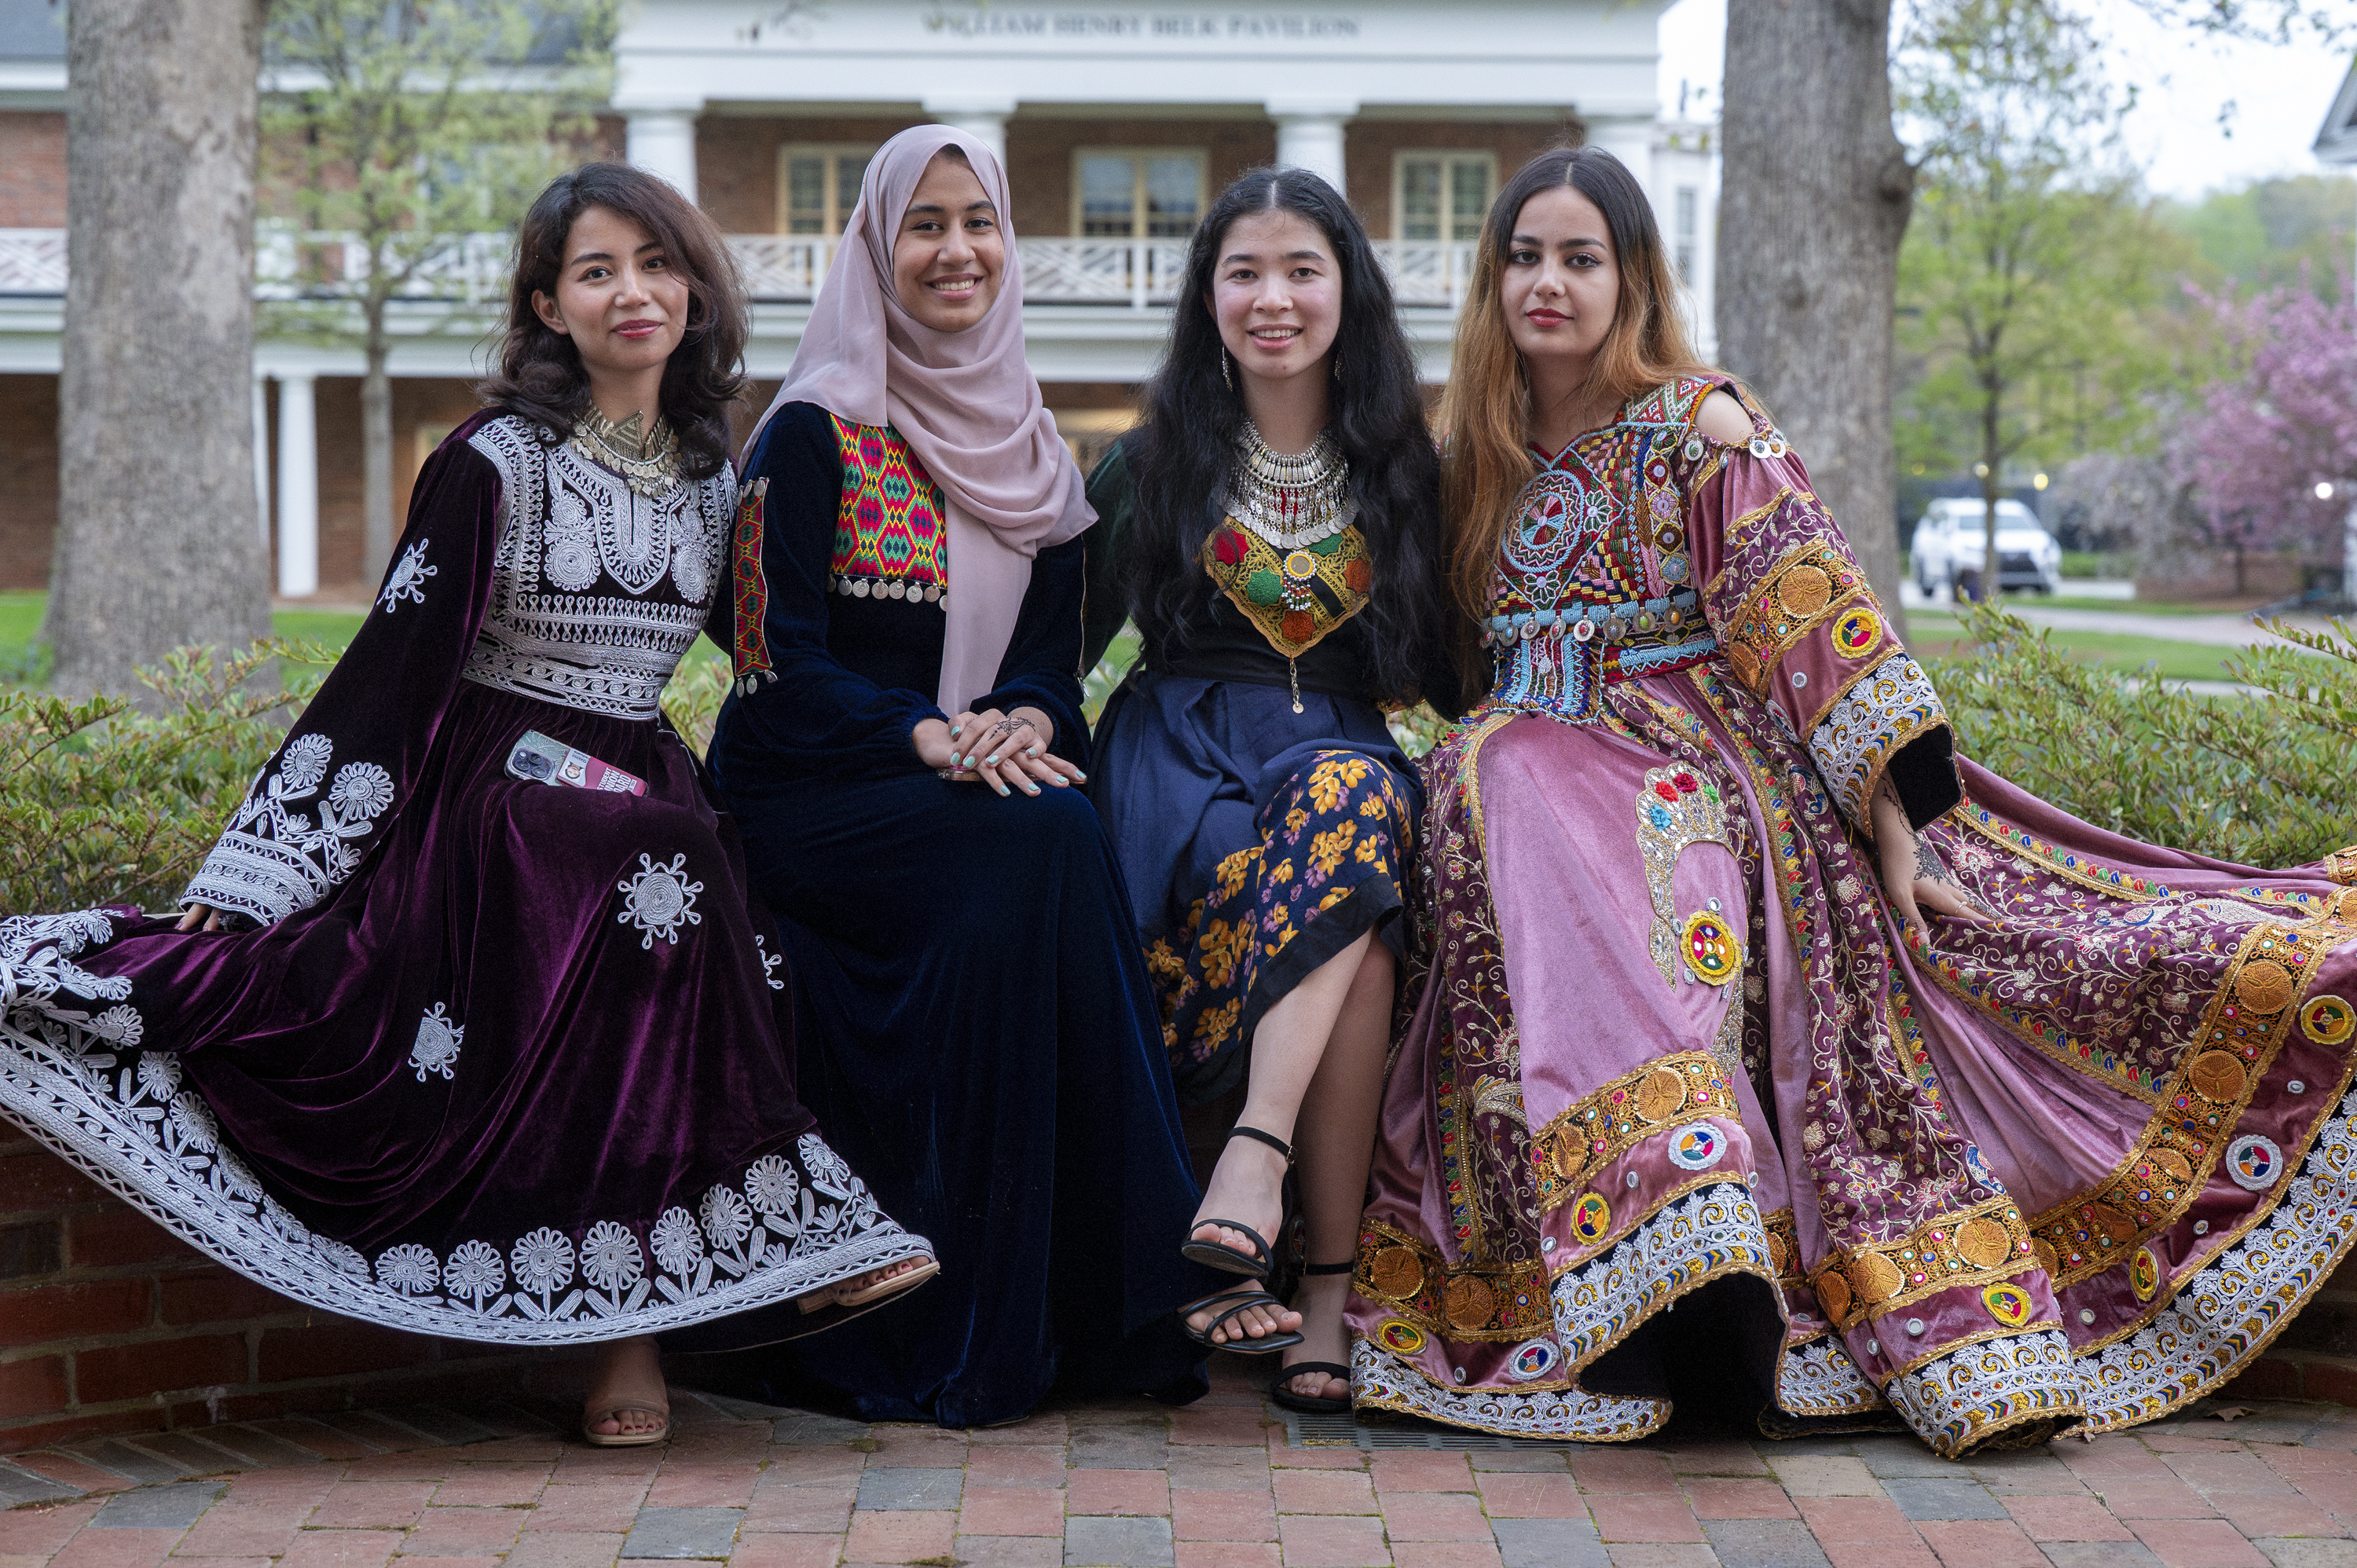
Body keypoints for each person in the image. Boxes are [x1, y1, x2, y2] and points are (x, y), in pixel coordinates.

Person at [1348, 145, 2357, 1457]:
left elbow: (1824, 632)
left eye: (1580, 257)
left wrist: (1892, 834)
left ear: (1634, 276)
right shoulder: (1465, 457)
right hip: (1519, 786)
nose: (1549, 282)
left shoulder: (1697, 425)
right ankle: (1632, 1274)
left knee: (1677, 861)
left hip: (1694, 769)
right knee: (1514, 787)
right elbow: (1431, 662)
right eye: (1524, 257)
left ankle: (1703, 1258)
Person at [0, 162, 936, 1449]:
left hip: (643, 790)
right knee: (650, 866)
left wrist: (939, 741)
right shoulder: (491, 463)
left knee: (685, 866)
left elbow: (785, 662)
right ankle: (704, 1286)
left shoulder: (720, 479)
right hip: (495, 794)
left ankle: (644, 1312)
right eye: (596, 271)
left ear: (694, 288)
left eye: (657, 265)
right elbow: (385, 678)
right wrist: (257, 880)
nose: (634, 293)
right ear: (549, 306)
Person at [703, 125, 1287, 1431]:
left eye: (981, 223)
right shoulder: (811, 434)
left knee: (1049, 823)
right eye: (926, 224)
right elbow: (769, 663)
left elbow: (1046, 673)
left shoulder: (1037, 463)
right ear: (876, 247)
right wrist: (928, 734)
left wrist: (1018, 722)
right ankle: (1150, 1278)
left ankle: (1075, 1299)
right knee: (1046, 838)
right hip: (814, 797)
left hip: (969, 796)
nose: (957, 250)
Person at [1081, 167, 1461, 1412]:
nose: (1273, 298)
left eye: (1303, 269)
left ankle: (1259, 1185)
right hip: (1175, 757)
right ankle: (1323, 1293)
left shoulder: (1414, 475)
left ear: (1347, 289)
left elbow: (1472, 673)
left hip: (1336, 760)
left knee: (1353, 815)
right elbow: (1053, 654)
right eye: (1242, 272)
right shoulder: (1147, 467)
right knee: (1355, 926)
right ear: (1208, 298)